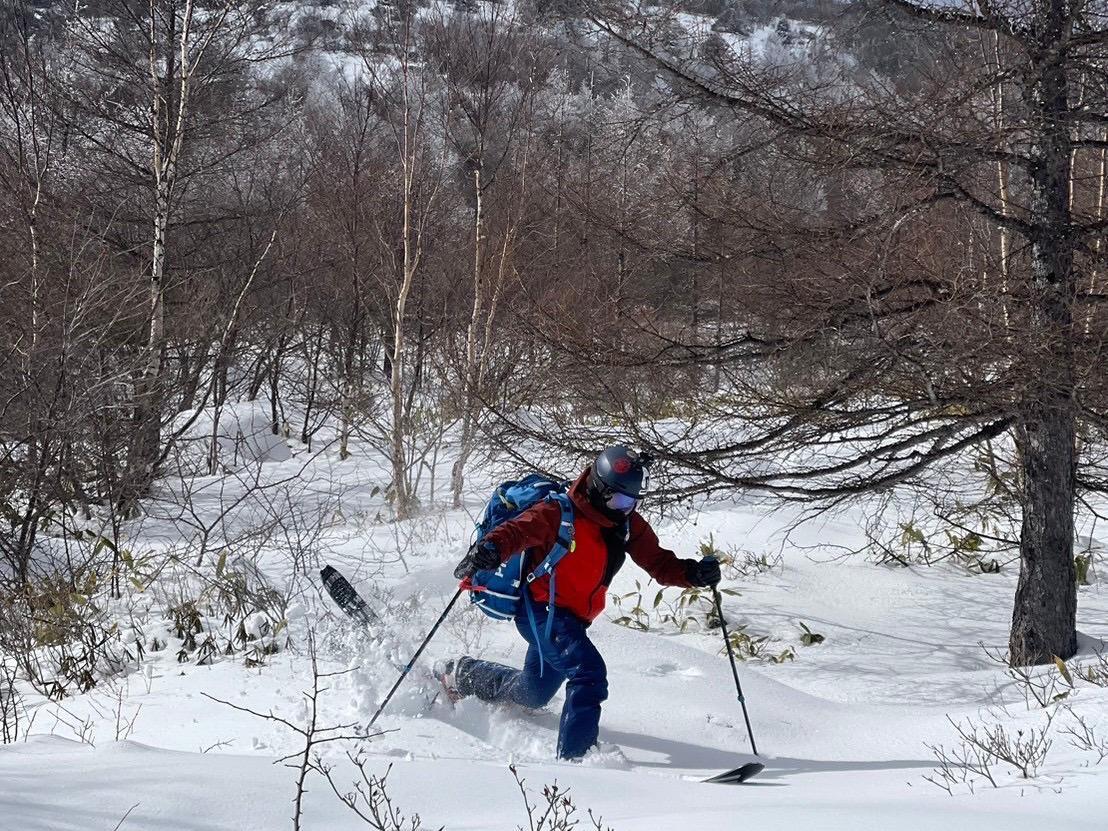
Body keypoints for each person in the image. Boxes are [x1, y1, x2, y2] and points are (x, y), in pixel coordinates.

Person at [438, 446, 721, 761]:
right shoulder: (558, 513)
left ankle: (462, 673)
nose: (624, 507)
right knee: (588, 673)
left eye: (631, 501)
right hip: (541, 609)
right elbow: (517, 531)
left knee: (533, 693)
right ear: (599, 488)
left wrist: (693, 573)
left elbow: (658, 562)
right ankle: (575, 761)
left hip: (572, 619)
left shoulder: (626, 523)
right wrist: (490, 549)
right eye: (618, 499)